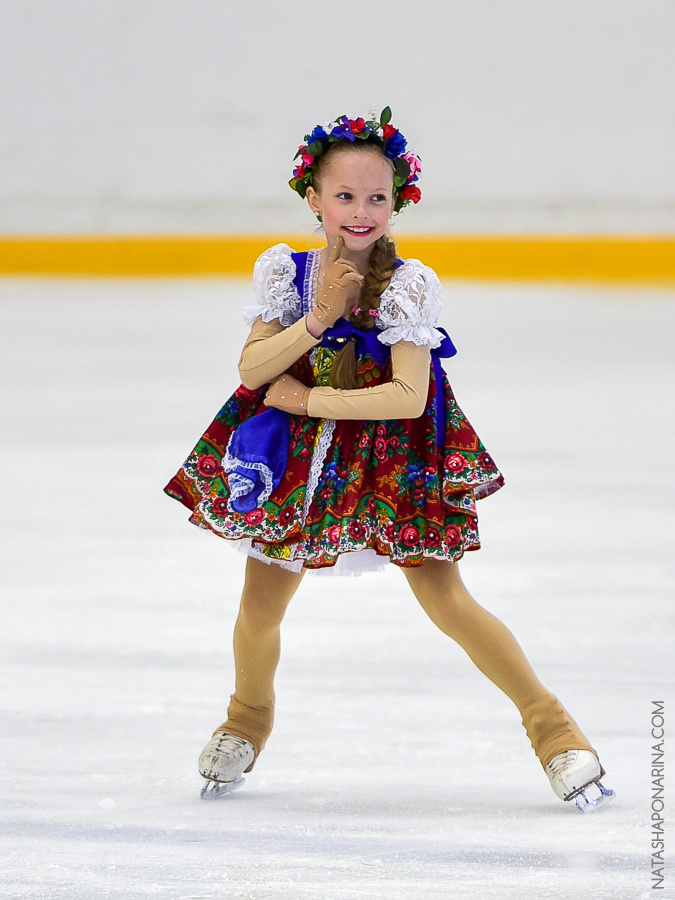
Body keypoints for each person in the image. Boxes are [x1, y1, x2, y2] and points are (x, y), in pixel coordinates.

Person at [164, 109, 613, 811]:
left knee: (447, 601)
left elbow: (406, 397)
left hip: (392, 462)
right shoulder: (288, 273)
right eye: (345, 196)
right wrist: (314, 321)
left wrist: (308, 401)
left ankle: (553, 730)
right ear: (313, 198)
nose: (362, 211)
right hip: (298, 469)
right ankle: (246, 717)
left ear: (398, 199)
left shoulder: (408, 285)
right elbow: (252, 366)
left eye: (377, 197)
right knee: (258, 610)